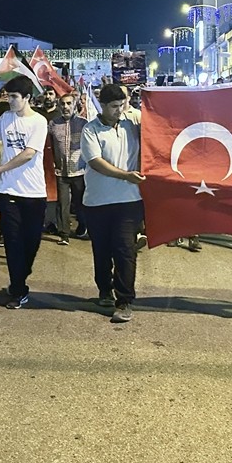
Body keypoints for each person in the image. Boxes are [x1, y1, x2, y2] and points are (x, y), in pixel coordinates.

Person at [80, 84, 145, 323]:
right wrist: (125, 175)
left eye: (122, 105)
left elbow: (159, 121)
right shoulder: (90, 130)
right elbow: (95, 162)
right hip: (97, 202)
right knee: (102, 251)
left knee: (125, 250)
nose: (120, 110)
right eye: (114, 106)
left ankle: (125, 300)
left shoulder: (133, 120)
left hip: (129, 200)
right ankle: (104, 289)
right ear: (103, 106)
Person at [0, 75, 49, 310]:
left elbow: (29, 153)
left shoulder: (39, 122)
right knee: (13, 241)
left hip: (33, 192)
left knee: (31, 242)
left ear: (27, 98)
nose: (10, 101)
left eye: (14, 97)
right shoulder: (5, 118)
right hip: (7, 190)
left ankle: (20, 276)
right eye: (8, 96)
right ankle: (18, 289)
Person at [47, 92, 88, 245]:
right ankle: (64, 233)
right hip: (61, 171)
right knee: (62, 203)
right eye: (63, 104)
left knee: (80, 203)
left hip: (79, 170)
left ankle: (82, 226)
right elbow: (48, 145)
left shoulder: (84, 124)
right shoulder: (53, 124)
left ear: (74, 105)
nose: (66, 107)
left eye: (69, 103)